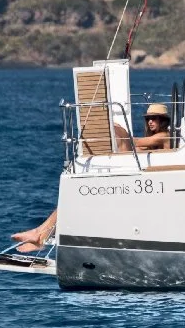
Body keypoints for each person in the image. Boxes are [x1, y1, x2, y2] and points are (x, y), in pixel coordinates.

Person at [11, 104, 175, 252]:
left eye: (155, 118)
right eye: (148, 119)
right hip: (147, 183)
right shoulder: (155, 141)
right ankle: (40, 234)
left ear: (163, 121)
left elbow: (135, 142)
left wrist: (114, 130)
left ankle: (40, 235)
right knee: (72, 199)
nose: (150, 122)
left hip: (154, 184)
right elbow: (139, 148)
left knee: (75, 199)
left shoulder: (164, 136)